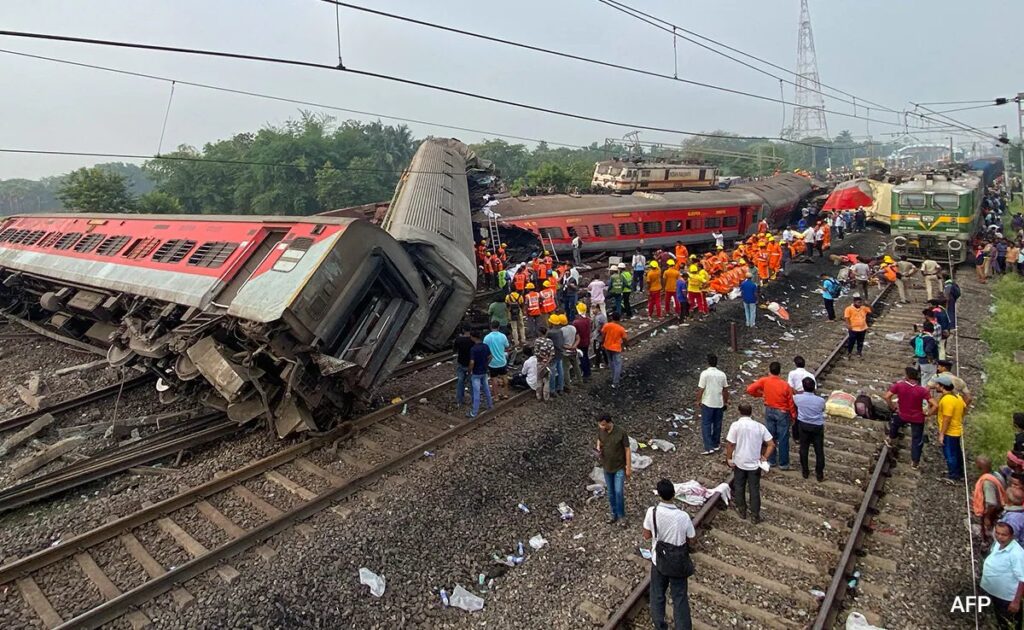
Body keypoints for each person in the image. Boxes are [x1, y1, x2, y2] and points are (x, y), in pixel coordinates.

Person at [643, 479, 695, 630]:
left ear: (659, 495)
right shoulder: (683, 516)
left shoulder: (651, 512)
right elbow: (692, 539)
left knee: (657, 595)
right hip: (678, 562)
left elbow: (646, 535)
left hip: (658, 560)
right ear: (674, 494)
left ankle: (660, 626)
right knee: (680, 598)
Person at [725, 402, 776, 523]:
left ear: (739, 412)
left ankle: (742, 510)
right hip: (754, 464)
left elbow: (731, 444)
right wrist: (764, 457)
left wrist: (728, 458)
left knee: (739, 486)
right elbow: (771, 444)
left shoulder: (736, 425)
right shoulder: (759, 426)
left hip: (740, 462)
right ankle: (755, 515)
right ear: (751, 412)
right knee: (754, 489)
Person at [745, 362, 797, 470]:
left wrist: (760, 394)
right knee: (783, 438)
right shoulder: (785, 385)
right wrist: (793, 416)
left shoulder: (765, 380)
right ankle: (783, 463)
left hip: (769, 410)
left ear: (769, 370)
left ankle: (771, 460)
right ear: (780, 371)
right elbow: (790, 402)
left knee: (770, 436)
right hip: (782, 412)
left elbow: (750, 389)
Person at [883, 367, 933, 469]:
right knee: (917, 439)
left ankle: (890, 439)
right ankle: (915, 462)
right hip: (918, 418)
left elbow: (887, 396)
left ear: (907, 376)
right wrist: (928, 413)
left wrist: (893, 407)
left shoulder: (899, 385)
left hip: (902, 414)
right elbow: (935, 404)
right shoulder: (922, 390)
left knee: (895, 423)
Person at [980, 522, 1024, 629]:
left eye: (1003, 535)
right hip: (993, 592)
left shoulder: (1017, 553)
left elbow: (1022, 578)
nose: (999, 537)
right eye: (997, 533)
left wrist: (1016, 602)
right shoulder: (997, 544)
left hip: (1006, 598)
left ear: (1011, 536)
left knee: (1009, 624)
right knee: (998, 620)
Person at [597, 413, 631, 525]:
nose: (601, 427)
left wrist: (628, 467)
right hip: (607, 466)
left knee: (618, 491)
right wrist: (598, 448)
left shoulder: (620, 432)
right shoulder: (601, 431)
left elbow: (627, 449)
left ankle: (621, 516)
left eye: (603, 424)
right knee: (610, 492)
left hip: (619, 467)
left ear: (608, 422)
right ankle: (613, 514)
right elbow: (599, 440)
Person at [794, 378, 826, 481]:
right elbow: (822, 409)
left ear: (803, 387)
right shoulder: (820, 400)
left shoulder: (797, 398)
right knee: (819, 450)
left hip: (803, 425)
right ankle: (819, 473)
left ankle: (805, 471)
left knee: (804, 448)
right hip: (817, 426)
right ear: (814, 387)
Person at [697, 354, 729, 455]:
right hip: (718, 403)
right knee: (717, 424)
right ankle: (716, 444)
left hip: (707, 402)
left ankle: (708, 447)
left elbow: (701, 389)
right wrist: (726, 401)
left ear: (708, 362)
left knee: (706, 424)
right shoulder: (722, 374)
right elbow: (725, 390)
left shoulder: (705, 374)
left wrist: (698, 400)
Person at [936, 381, 966, 483]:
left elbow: (947, 418)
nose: (936, 386)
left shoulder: (947, 400)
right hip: (957, 430)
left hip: (950, 432)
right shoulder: (958, 397)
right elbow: (965, 408)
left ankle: (953, 476)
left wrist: (941, 434)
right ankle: (959, 473)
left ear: (942, 387)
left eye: (938, 385)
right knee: (957, 452)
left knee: (950, 454)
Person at [976, 456, 1008, 547]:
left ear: (979, 467)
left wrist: (987, 517)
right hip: (1001, 506)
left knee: (992, 532)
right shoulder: (997, 475)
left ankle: (988, 545)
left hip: (994, 512)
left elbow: (991, 504)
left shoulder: (987, 482)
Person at [467, 330, 493, 418]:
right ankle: (490, 406)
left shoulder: (473, 349)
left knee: (476, 392)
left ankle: (474, 412)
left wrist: (470, 371)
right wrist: (486, 364)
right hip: (484, 371)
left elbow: (472, 362)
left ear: (474, 337)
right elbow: (490, 356)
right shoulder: (485, 346)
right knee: (486, 390)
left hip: (476, 373)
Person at [483, 321, 510, 400]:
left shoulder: (487, 337)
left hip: (492, 363)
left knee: (494, 379)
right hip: (502, 361)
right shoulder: (503, 336)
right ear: (498, 327)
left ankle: (496, 397)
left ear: (491, 327)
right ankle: (506, 394)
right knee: (504, 377)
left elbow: (485, 349)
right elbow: (507, 346)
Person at [602, 312, 628, 388]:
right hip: (616, 348)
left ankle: (614, 377)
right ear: (619, 319)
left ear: (612, 318)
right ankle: (615, 382)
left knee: (611, 362)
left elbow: (603, 335)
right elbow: (625, 338)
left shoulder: (607, 325)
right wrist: (626, 345)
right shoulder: (621, 329)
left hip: (607, 346)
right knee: (618, 364)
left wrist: (602, 343)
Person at [453, 326, 475, 407]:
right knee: (472, 383)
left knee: (460, 382)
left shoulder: (458, 340)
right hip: (471, 365)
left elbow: (454, 350)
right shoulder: (473, 341)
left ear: (463, 330)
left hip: (461, 363)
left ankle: (459, 400)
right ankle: (474, 401)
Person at [546, 315, 567, 396]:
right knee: (560, 371)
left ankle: (552, 390)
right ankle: (560, 388)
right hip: (560, 353)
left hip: (553, 355)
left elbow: (546, 341)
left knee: (552, 372)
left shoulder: (550, 332)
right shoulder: (560, 331)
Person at [574, 303, 593, 380]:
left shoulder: (576, 322)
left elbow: (576, 333)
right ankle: (588, 371)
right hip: (587, 341)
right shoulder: (588, 320)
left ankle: (585, 373)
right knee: (586, 356)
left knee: (582, 358)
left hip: (580, 342)